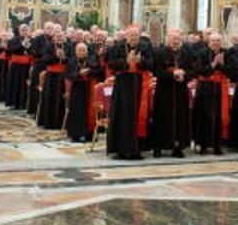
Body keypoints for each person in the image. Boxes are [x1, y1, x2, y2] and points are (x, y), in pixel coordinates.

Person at [106, 25, 154, 159]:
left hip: (139, 84)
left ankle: (136, 149)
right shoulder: (118, 47)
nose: (134, 38)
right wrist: (126, 62)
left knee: (138, 116)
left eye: (136, 35)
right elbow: (111, 64)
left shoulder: (145, 47)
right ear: (126, 36)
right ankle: (121, 149)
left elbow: (151, 64)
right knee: (123, 115)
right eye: (131, 35)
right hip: (123, 85)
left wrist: (140, 62)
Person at [151, 28, 192, 158]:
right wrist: (172, 74)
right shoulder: (159, 53)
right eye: (173, 39)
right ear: (167, 39)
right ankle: (158, 147)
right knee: (161, 118)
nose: (175, 41)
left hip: (180, 91)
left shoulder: (186, 53)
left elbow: (192, 71)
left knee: (180, 119)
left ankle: (178, 147)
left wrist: (184, 75)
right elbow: (156, 71)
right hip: (164, 91)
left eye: (178, 39)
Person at [192, 33, 231, 155]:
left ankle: (217, 145)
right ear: (208, 42)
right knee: (204, 117)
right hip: (205, 88)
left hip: (219, 88)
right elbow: (198, 70)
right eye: (213, 41)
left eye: (218, 41)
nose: (215, 43)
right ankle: (203, 145)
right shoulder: (201, 53)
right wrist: (213, 64)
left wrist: (223, 64)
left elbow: (232, 71)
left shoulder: (226, 53)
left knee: (218, 117)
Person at [65, 42, 102, 142]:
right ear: (76, 51)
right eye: (80, 50)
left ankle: (89, 134)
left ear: (87, 51)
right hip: (77, 89)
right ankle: (75, 135)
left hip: (88, 88)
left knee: (88, 112)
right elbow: (69, 75)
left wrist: (89, 71)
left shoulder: (92, 59)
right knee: (77, 111)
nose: (82, 52)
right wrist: (79, 74)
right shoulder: (71, 61)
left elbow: (98, 71)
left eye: (84, 50)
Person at [37, 29, 69, 130]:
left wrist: (64, 57)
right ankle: (49, 122)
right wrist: (55, 56)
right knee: (49, 98)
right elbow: (44, 60)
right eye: (57, 36)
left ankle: (61, 122)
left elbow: (72, 60)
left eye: (61, 36)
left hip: (64, 76)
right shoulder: (49, 46)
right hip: (51, 76)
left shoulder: (69, 46)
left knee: (61, 100)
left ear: (64, 38)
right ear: (54, 38)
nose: (59, 38)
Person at [5, 24, 32, 110]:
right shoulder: (13, 40)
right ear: (19, 31)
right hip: (16, 66)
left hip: (26, 66)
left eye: (26, 30)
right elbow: (10, 50)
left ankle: (23, 103)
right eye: (22, 30)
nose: (24, 32)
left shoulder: (31, 40)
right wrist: (22, 45)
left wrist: (29, 48)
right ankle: (13, 103)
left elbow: (33, 52)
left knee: (24, 84)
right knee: (15, 83)